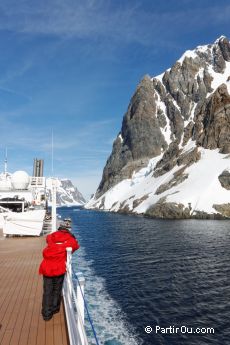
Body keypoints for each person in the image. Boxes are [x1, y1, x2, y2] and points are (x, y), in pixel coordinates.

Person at [39, 225, 80, 321]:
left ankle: (46, 314)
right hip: (59, 268)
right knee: (57, 288)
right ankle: (55, 308)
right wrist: (72, 237)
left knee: (47, 291)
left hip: (47, 267)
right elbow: (76, 245)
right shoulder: (69, 239)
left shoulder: (51, 236)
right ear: (67, 231)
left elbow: (48, 239)